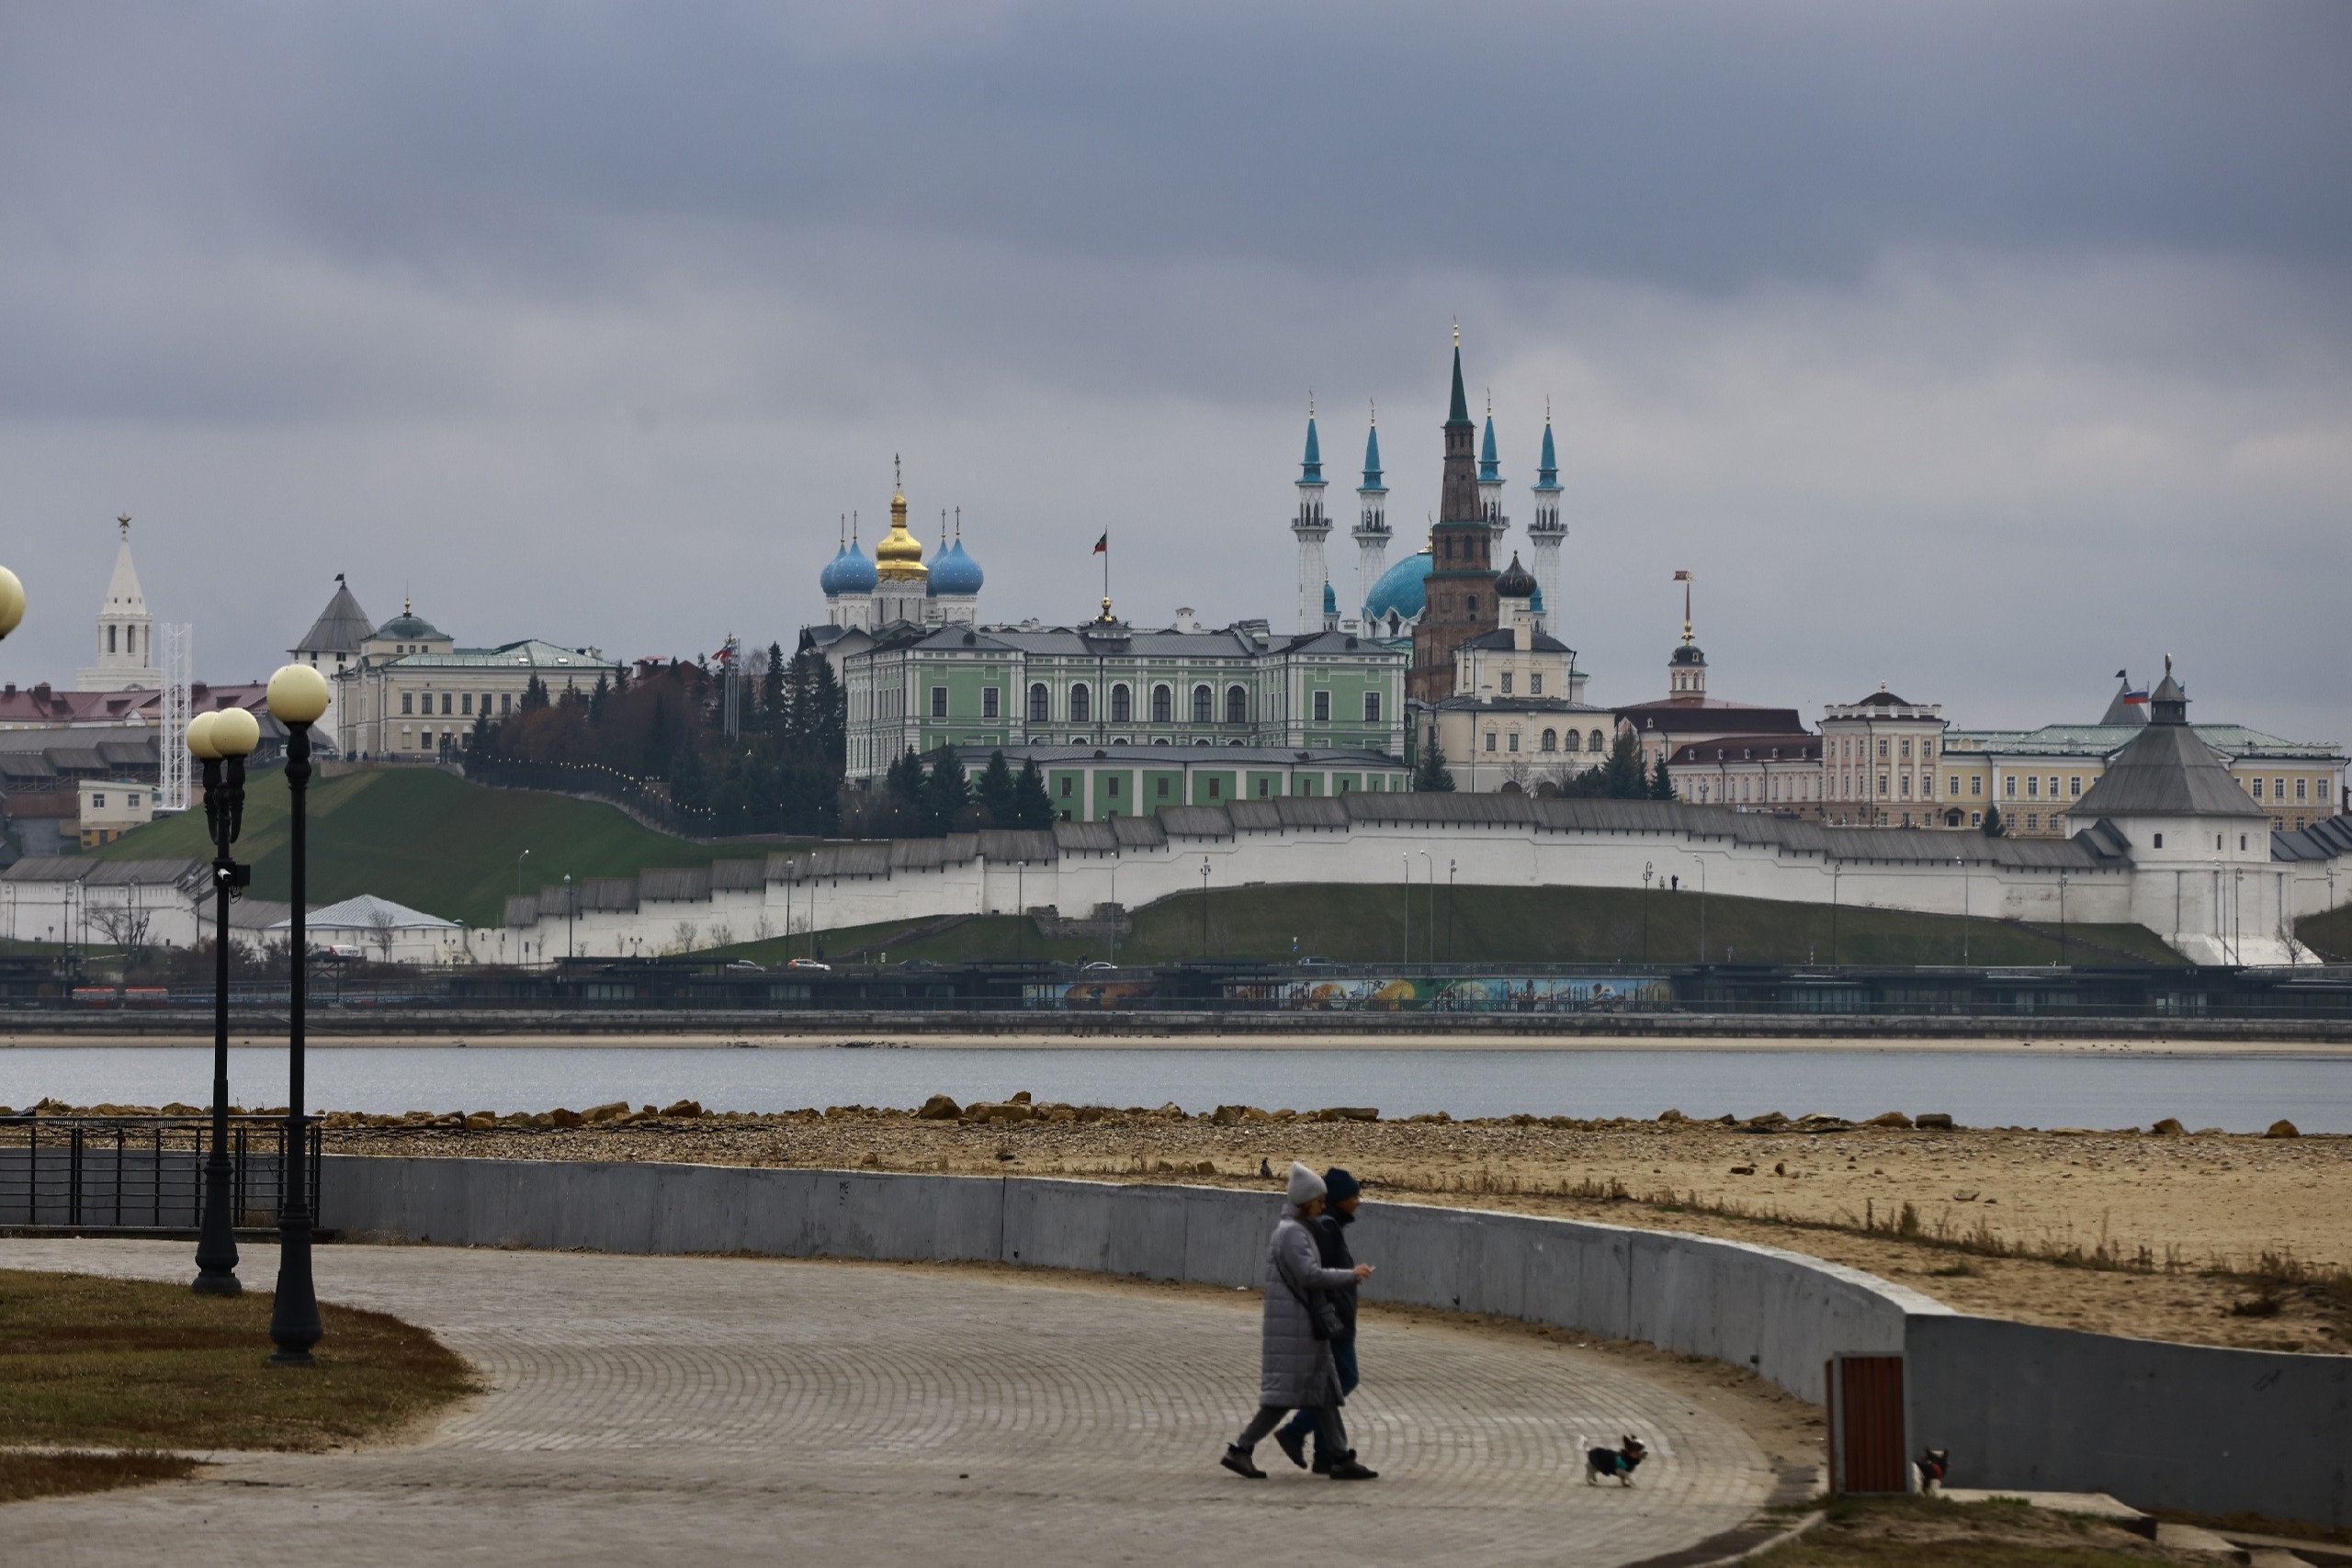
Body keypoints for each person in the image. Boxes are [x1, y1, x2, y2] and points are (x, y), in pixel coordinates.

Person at [1221, 1162, 1377, 1483]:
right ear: (1306, 1201)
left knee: (1324, 1391)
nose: (1324, 1204)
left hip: (1301, 1328)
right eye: (1319, 1200)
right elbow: (1309, 1275)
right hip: (1297, 1329)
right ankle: (1241, 1449)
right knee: (1281, 1401)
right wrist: (1351, 1275)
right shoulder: (1292, 1234)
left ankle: (1340, 1456)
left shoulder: (1298, 1231)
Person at [1274, 1167, 1363, 1472]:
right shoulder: (1326, 1230)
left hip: (1334, 1319)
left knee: (1332, 1383)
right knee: (1345, 1379)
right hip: (1333, 1322)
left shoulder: (1326, 1227)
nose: (1358, 1202)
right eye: (1353, 1196)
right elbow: (1314, 1275)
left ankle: (1326, 1455)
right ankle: (1296, 1431)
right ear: (1337, 1200)